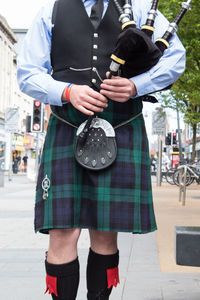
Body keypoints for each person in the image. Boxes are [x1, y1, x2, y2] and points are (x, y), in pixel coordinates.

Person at [17, 0, 186, 299]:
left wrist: (137, 85)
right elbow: (28, 73)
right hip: (66, 124)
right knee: (61, 234)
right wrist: (66, 91)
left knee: (106, 233)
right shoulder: (52, 10)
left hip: (121, 125)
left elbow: (176, 58)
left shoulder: (141, 7)